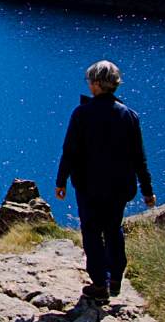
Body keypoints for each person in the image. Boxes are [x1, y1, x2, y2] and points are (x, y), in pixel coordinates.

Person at [54, 60, 155, 303]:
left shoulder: (82, 113)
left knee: (91, 230)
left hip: (88, 186)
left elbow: (70, 150)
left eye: (89, 80)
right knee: (113, 228)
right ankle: (116, 278)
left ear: (97, 84)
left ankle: (99, 283)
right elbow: (139, 157)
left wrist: (61, 181)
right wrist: (147, 191)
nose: (88, 84)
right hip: (119, 186)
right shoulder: (129, 116)